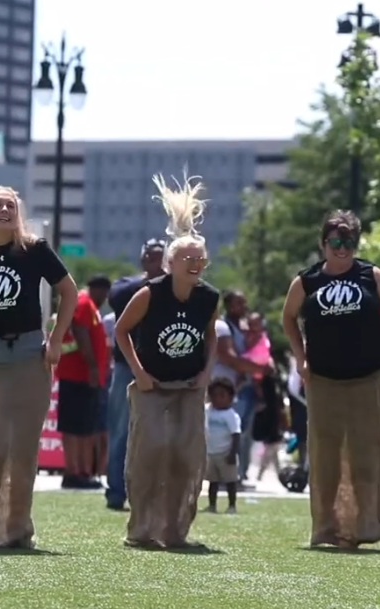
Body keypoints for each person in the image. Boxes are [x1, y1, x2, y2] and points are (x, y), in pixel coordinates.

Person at [0, 185, 77, 549]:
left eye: (10, 205)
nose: (4, 210)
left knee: (23, 450)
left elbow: (69, 291)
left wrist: (55, 341)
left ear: (18, 213)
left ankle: (18, 531)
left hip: (29, 355)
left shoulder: (34, 250)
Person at [281, 209, 380, 549]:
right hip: (323, 380)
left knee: (367, 454)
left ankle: (367, 525)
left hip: (368, 379)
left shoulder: (372, 275)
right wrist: (301, 359)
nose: (342, 248)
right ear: (323, 244)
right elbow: (289, 318)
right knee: (325, 457)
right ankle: (326, 528)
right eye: (335, 241)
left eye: (349, 241)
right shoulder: (306, 282)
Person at [114, 173, 219, 548]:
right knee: (151, 452)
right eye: (187, 259)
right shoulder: (149, 294)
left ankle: (175, 531)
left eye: (199, 260)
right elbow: (121, 331)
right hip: (152, 385)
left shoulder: (208, 297)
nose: (194, 264)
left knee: (185, 456)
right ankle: (141, 529)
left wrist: (206, 372)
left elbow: (209, 335)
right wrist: (139, 373)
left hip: (188, 385)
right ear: (170, 263)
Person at [104, 238, 165, 511]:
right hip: (126, 365)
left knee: (158, 433)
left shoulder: (173, 289)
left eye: (162, 257)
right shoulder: (127, 286)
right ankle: (116, 492)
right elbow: (116, 297)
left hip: (159, 366)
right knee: (121, 430)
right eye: (152, 256)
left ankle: (151, 493)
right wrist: (153, 280)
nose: (157, 261)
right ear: (143, 259)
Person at [55, 275, 111, 490]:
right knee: (76, 427)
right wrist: (93, 367)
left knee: (84, 426)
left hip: (83, 375)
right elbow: (80, 330)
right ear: (99, 290)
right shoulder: (84, 303)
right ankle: (74, 471)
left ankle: (82, 470)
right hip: (78, 375)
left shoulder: (90, 306)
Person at [217, 290, 269, 485]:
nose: (244, 307)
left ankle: (237, 474)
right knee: (227, 432)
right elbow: (229, 358)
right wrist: (259, 368)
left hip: (244, 387)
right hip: (226, 389)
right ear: (229, 305)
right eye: (240, 303)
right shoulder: (222, 327)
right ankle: (222, 475)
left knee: (242, 434)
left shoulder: (243, 328)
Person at [204, 377, 241, 514]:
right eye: (214, 395)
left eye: (222, 395)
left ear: (230, 397)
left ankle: (232, 505)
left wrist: (233, 453)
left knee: (230, 482)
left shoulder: (231, 415)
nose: (217, 399)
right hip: (211, 452)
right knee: (212, 482)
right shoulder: (207, 411)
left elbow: (236, 435)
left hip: (226, 453)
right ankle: (212, 505)